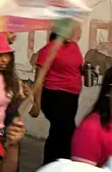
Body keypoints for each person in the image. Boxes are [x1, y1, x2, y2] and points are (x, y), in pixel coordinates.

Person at [33, 26, 84, 164]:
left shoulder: (74, 46)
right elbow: (39, 78)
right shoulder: (49, 49)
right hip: (55, 95)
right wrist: (36, 104)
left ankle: (52, 165)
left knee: (60, 132)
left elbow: (75, 66)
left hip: (72, 96)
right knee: (65, 130)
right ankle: (57, 164)